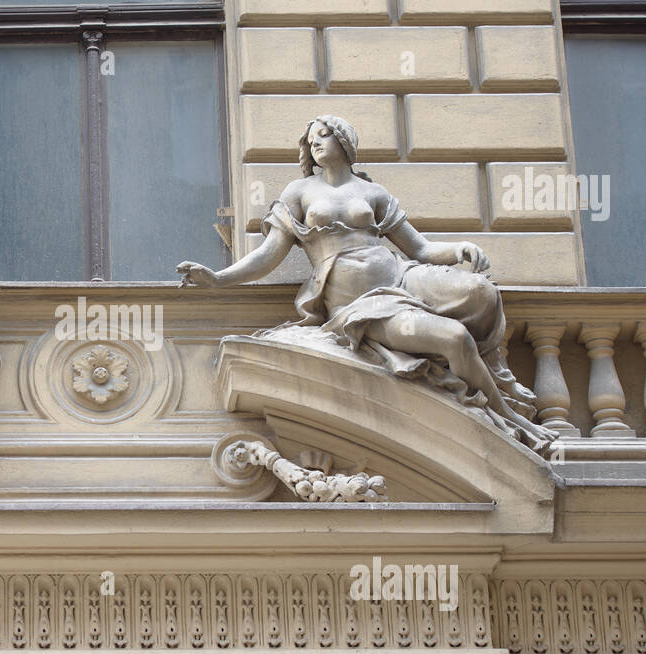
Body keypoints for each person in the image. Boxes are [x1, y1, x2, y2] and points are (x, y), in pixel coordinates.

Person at [176, 114, 553, 450]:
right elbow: (269, 254)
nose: (317, 143)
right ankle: (507, 415)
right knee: (454, 338)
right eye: (311, 140)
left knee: (481, 291)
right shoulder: (299, 192)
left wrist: (459, 247)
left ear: (344, 140)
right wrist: (218, 279)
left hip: (401, 277)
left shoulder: (372, 192)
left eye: (324, 135)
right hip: (360, 302)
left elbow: (419, 248)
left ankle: (500, 381)